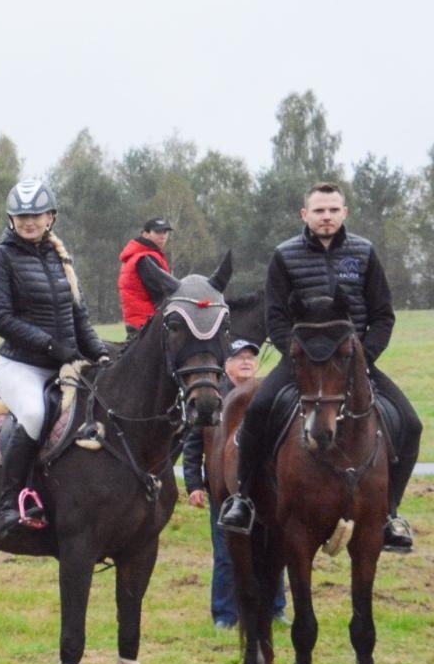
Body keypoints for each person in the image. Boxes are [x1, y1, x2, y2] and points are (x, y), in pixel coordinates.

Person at [218, 182, 421, 552]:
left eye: (332, 210)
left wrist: (362, 360)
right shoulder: (284, 255)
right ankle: (243, 500)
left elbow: (382, 315)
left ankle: (390, 513)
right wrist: (297, 358)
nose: (325, 216)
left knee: (410, 422)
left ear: (344, 213)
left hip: (353, 364)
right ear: (305, 215)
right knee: (258, 411)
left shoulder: (364, 252)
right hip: (301, 364)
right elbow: (275, 316)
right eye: (318, 210)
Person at [0, 179, 107, 538]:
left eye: (35, 215)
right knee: (35, 415)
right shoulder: (1, 258)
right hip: (20, 366)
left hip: (64, 362)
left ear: (50, 217)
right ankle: (9, 504)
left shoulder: (60, 257)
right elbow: (2, 319)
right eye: (21, 217)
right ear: (11, 220)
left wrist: (97, 351)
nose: (28, 222)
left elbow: (77, 315)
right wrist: (53, 347)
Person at [183, 339, 288, 628]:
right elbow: (192, 444)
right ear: (225, 365)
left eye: (250, 357)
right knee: (227, 553)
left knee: (273, 548)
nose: (246, 361)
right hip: (223, 489)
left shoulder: (269, 396)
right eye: (238, 357)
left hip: (266, 487)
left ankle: (276, 609)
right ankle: (225, 615)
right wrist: (193, 485)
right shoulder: (213, 399)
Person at [118, 217, 172, 340]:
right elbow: (160, 295)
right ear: (145, 234)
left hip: (137, 323)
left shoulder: (136, 255)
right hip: (148, 325)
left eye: (165, 232)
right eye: (158, 232)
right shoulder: (146, 259)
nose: (163, 236)